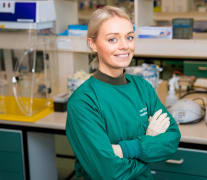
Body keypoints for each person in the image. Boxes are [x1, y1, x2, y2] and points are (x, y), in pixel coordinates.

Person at [66, 6, 181, 180]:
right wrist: (148, 145)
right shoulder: (83, 102)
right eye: (113, 39)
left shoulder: (142, 87)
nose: (124, 46)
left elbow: (172, 138)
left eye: (129, 37)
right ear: (93, 44)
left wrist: (125, 150)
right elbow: (109, 173)